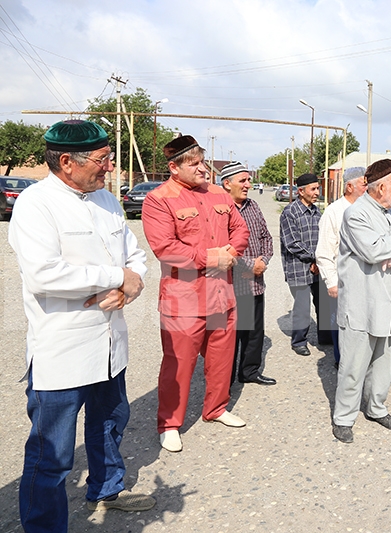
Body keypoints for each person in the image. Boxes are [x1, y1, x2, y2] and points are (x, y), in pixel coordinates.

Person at [9, 120, 155, 531]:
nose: (109, 166)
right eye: (103, 159)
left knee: (110, 422)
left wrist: (131, 286)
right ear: (67, 162)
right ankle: (44, 526)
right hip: (63, 348)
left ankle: (107, 488)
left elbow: (135, 257)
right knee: (51, 453)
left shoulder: (106, 199)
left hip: (109, 342)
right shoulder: (36, 204)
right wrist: (114, 278)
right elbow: (44, 274)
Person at [143, 135, 250, 453]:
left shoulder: (218, 193)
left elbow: (240, 229)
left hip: (221, 294)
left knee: (221, 358)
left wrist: (232, 250)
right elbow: (166, 248)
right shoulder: (159, 200)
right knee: (178, 362)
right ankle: (170, 423)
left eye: (203, 162)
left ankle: (216, 408)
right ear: (174, 167)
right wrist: (215, 257)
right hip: (184, 299)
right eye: (195, 164)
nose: (203, 168)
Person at [331, 159, 391, 443]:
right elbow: (373, 249)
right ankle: (344, 417)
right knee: (355, 365)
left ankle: (376, 407)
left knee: (386, 362)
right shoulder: (356, 214)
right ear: (381, 187)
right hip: (362, 302)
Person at [220, 161, 276, 387]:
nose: (248, 185)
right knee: (229, 336)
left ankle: (249, 371)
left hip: (255, 283)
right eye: (242, 180)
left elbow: (267, 238)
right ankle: (225, 380)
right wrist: (249, 265)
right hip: (231, 284)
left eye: (248, 180)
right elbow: (220, 247)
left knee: (254, 332)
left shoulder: (253, 206)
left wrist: (263, 260)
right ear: (227, 183)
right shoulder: (220, 209)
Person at [315, 166, 368, 367]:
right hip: (342, 280)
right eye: (364, 185)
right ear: (349, 186)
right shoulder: (334, 212)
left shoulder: (367, 211)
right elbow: (324, 251)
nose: (367, 189)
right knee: (342, 323)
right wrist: (331, 282)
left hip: (363, 280)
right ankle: (342, 361)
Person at [279, 173, 325, 356]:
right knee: (302, 307)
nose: (317, 192)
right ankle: (299, 341)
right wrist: (315, 258)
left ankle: (326, 338)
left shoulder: (317, 211)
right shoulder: (290, 212)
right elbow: (292, 243)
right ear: (301, 191)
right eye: (313, 189)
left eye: (317, 188)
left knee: (324, 304)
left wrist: (320, 260)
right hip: (298, 268)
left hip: (318, 266)